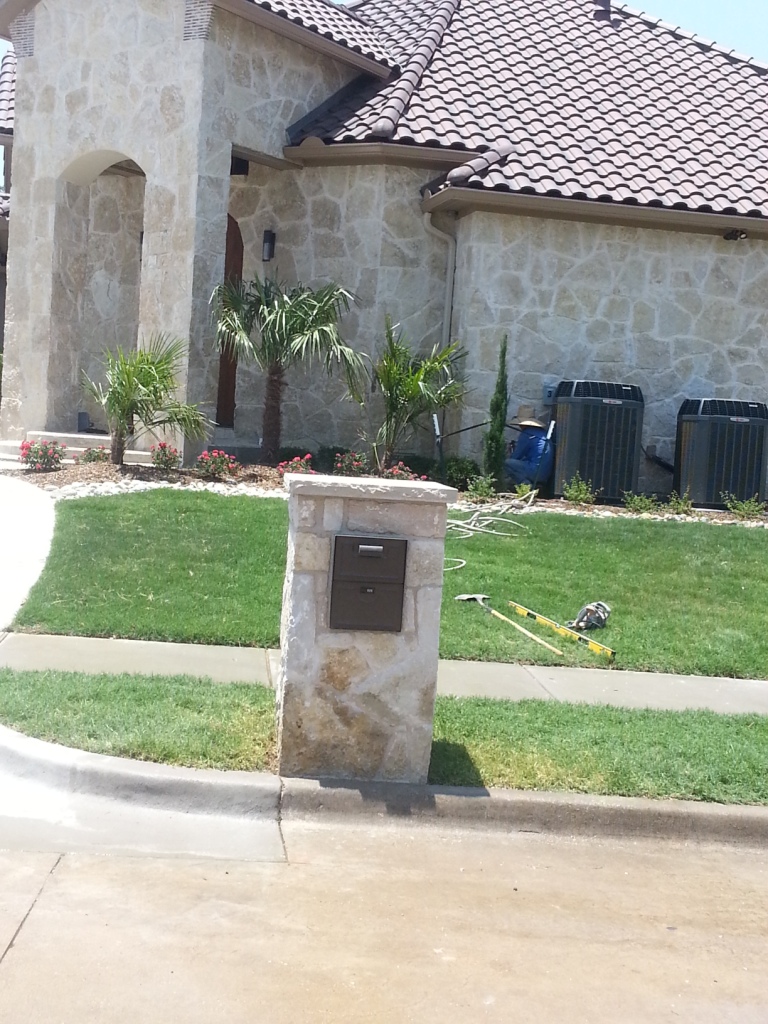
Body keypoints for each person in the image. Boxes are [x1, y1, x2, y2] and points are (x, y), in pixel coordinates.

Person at [504, 418, 553, 487]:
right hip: (546, 474)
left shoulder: (527, 433)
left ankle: (526, 485)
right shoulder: (542, 432)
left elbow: (517, 455)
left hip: (535, 471)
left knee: (506, 463)